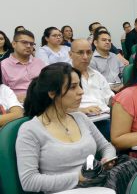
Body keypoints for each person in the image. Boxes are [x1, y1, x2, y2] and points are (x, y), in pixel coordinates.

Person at [16, 62, 117, 193]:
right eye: (73, 87)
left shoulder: (80, 118)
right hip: (64, 191)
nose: (81, 92)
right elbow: (28, 181)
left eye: (79, 85)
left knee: (132, 171)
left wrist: (107, 159)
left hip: (95, 185)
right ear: (52, 93)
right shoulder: (30, 130)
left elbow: (106, 146)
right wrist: (78, 177)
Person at [70, 39, 114, 140]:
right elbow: (56, 108)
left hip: (105, 117)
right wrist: (81, 110)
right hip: (81, 123)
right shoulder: (64, 77)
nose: (85, 57)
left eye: (89, 52)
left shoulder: (97, 75)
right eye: (80, 52)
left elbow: (110, 99)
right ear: (70, 54)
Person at [1, 30, 45, 102]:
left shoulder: (39, 63)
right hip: (17, 104)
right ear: (14, 44)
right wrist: (15, 99)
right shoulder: (3, 66)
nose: (28, 46)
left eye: (31, 44)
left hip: (41, 101)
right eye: (24, 42)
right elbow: (2, 94)